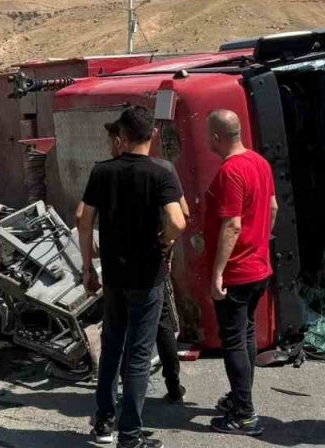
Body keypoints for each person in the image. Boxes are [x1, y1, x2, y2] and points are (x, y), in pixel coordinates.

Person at [79, 106, 186, 448]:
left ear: (122, 137)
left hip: (114, 276)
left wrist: (86, 266)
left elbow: (83, 218)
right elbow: (179, 220)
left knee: (111, 347)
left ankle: (103, 424)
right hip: (147, 276)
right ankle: (130, 435)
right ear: (152, 135)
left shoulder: (102, 171)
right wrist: (165, 240)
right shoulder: (161, 172)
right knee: (138, 355)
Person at [203, 109, 276, 437]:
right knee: (245, 334)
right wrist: (260, 241)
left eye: (208, 134)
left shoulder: (230, 171)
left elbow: (232, 224)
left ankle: (244, 414)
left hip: (237, 271)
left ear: (216, 137)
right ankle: (239, 396)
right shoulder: (260, 162)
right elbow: (272, 208)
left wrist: (218, 272)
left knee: (233, 340)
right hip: (258, 267)